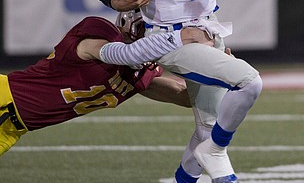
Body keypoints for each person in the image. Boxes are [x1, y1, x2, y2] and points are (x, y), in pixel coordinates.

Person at [95, 0, 271, 182]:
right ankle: (217, 151)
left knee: (206, 131)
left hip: (208, 31)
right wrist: (116, 2)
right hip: (166, 37)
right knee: (249, 82)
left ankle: (204, 159)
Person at [0, 10, 213, 156]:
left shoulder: (139, 73)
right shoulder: (100, 37)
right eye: (146, 28)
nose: (149, 34)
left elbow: (184, 96)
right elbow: (117, 54)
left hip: (12, 130)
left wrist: (216, 75)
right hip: (4, 96)